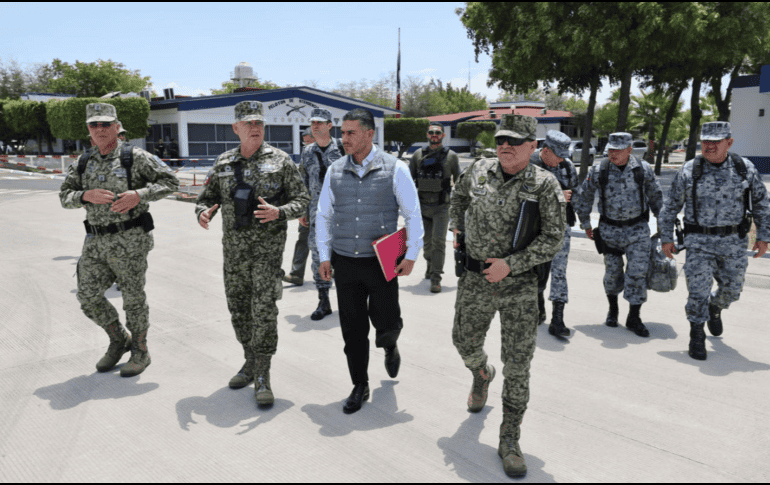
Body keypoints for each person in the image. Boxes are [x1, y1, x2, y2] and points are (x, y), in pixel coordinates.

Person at [450, 114, 564, 477]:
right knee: (463, 341)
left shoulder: (545, 184)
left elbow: (553, 238)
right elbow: (458, 196)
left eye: (514, 141)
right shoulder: (479, 169)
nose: (505, 147)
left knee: (518, 365)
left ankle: (510, 438)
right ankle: (481, 373)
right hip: (474, 281)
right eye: (501, 140)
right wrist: (457, 227)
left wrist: (511, 265)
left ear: (533, 146)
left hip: (518, 288)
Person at [195, 101, 309, 407]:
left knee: (263, 312)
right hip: (233, 254)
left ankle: (262, 374)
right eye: (248, 123)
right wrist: (203, 213)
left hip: (267, 254)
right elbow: (204, 198)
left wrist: (280, 211)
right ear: (236, 128)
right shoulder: (223, 163)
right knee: (239, 312)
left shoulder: (282, 161)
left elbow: (302, 199)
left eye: (259, 123)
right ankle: (249, 361)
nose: (255, 128)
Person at [59, 103, 179, 377]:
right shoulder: (82, 162)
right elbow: (64, 196)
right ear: (88, 129)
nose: (99, 129)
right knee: (87, 296)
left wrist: (139, 195)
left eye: (105, 124)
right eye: (94, 125)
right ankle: (118, 339)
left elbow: (171, 182)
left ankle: (140, 350)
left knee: (133, 299)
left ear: (116, 127)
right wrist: (83, 196)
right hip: (95, 242)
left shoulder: (134, 157)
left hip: (130, 241)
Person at [316, 108, 423, 414]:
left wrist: (412, 254)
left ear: (369, 134)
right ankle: (359, 384)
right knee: (352, 328)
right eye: (343, 132)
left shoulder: (395, 169)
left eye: (350, 132)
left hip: (382, 259)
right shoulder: (335, 170)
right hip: (345, 261)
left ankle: (390, 342)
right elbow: (323, 215)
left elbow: (412, 214)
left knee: (386, 319)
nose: (343, 138)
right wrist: (324, 256)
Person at [659, 122, 769, 360]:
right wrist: (666, 238)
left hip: (734, 243)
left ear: (729, 142)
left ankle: (715, 307)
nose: (708, 146)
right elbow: (669, 207)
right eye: (705, 141)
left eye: (715, 142)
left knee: (733, 289)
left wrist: (764, 237)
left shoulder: (744, 169)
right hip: (699, 242)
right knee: (697, 291)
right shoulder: (689, 170)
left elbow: (762, 204)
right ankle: (696, 334)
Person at [574, 132, 664, 337]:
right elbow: (584, 195)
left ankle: (634, 316)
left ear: (629, 150)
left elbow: (657, 199)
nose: (613, 153)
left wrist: (664, 227)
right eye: (610, 149)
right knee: (613, 274)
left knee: (637, 273)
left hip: (638, 231)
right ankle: (613, 309)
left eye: (618, 150)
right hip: (609, 231)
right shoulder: (600, 169)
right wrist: (586, 222)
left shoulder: (643, 169)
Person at [529, 130, 578, 337]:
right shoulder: (528, 165)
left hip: (560, 226)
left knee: (559, 271)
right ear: (545, 150)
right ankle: (538, 308)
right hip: (534, 227)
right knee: (535, 270)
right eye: (558, 155)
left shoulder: (567, 166)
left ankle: (557, 318)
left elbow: (576, 195)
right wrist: (556, 193)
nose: (561, 160)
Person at [299, 108, 346, 320]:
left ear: (330, 125)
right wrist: (302, 209)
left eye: (320, 122)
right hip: (317, 215)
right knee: (319, 258)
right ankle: (323, 300)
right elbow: (303, 183)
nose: (315, 125)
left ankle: (350, 301)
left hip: (344, 216)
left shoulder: (344, 149)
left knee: (346, 258)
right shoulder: (307, 152)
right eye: (313, 122)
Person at [409, 123, 461, 293]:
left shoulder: (451, 156)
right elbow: (409, 181)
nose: (434, 135)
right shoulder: (418, 155)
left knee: (438, 242)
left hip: (441, 207)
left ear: (443, 135)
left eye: (437, 133)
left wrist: (460, 207)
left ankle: (436, 277)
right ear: (427, 135)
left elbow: (460, 181)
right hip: (423, 206)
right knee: (427, 243)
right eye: (431, 132)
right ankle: (430, 264)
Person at [282, 127, 314, 286]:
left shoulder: (332, 156)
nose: (307, 145)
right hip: (309, 207)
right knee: (303, 239)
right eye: (305, 142)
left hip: (328, 209)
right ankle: (296, 274)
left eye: (310, 141)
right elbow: (301, 186)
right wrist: (302, 210)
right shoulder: (305, 158)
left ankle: (334, 269)